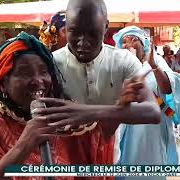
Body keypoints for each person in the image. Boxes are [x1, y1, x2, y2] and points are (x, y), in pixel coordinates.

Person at [0, 31, 161, 180]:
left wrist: (119, 109)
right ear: (2, 82)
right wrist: (23, 146)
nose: (38, 80)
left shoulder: (61, 115)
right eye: (24, 73)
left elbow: (96, 151)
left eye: (44, 71)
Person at [51, 0, 162, 167]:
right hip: (62, 167)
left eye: (92, 33)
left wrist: (85, 112)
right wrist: (118, 109)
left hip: (108, 163)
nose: (83, 42)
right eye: (74, 32)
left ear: (106, 27)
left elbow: (152, 112)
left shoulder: (123, 61)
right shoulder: (51, 64)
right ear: (66, 27)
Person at [113, 26, 180, 173]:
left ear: (143, 44)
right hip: (125, 126)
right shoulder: (117, 66)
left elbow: (167, 87)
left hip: (150, 127)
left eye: (134, 40)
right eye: (124, 42)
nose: (128, 44)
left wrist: (153, 65)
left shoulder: (155, 61)